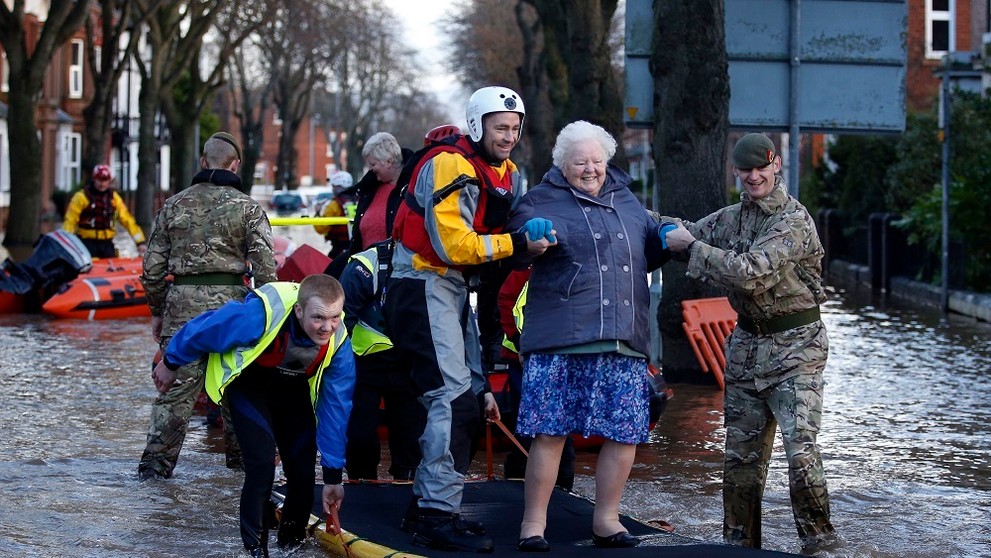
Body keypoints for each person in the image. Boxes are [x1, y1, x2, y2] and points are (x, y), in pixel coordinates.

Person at [385, 86, 554, 553]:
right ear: (477, 125)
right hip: (421, 282)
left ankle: (427, 506)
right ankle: (436, 514)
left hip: (454, 287)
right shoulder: (449, 163)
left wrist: (534, 230)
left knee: (474, 397)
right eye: (501, 128)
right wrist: (518, 244)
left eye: (515, 129)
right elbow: (452, 245)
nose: (509, 137)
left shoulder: (508, 172)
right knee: (453, 398)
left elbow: (511, 219)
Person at [661, 133, 838, 552]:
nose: (754, 176)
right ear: (736, 171)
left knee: (801, 454)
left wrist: (693, 247)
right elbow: (684, 232)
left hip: (798, 350)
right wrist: (629, 213)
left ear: (776, 164)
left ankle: (820, 542)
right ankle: (738, 546)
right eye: (746, 169)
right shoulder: (731, 218)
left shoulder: (793, 220)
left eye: (762, 167)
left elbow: (750, 272)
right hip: (746, 349)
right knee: (741, 462)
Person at [504, 120, 669, 552]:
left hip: (624, 339)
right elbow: (517, 241)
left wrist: (667, 237)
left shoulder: (628, 201)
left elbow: (650, 246)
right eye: (581, 162)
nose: (591, 168)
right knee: (550, 432)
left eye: (597, 160)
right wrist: (529, 240)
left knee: (624, 432)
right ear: (562, 164)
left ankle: (606, 520)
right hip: (560, 339)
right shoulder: (539, 200)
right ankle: (533, 524)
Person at [150, 275, 356, 557]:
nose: (327, 327)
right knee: (261, 467)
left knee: (304, 473)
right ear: (299, 311)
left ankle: (291, 547)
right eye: (318, 318)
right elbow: (206, 328)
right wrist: (171, 361)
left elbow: (336, 410)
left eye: (334, 318)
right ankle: (255, 552)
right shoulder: (260, 315)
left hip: (292, 392)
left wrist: (334, 476)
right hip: (250, 388)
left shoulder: (340, 343)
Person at [139, 131, 278, 480]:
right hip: (233, 310)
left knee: (174, 394)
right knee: (238, 393)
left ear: (203, 162)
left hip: (181, 308)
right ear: (235, 165)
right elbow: (266, 272)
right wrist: (267, 322)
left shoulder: (173, 205)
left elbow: (151, 269)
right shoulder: (249, 208)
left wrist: (158, 311)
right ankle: (244, 470)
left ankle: (154, 471)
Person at [338, 239, 425, 480]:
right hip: (363, 361)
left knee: (411, 432)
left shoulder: (435, 262)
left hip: (410, 360)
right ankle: (361, 479)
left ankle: (406, 481)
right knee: (360, 433)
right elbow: (342, 321)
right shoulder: (364, 266)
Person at [496, 268, 575, 491]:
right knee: (527, 427)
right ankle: (520, 479)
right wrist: (520, 343)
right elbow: (506, 300)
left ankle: (562, 483)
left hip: (556, 356)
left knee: (560, 431)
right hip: (523, 358)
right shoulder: (528, 269)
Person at [324, 131, 410, 278]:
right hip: (364, 267)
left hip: (394, 270)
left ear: (388, 162)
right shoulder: (370, 187)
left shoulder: (410, 188)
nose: (370, 169)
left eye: (373, 164)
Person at [62, 164, 146, 258]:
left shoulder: (113, 199)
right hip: (87, 243)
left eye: (105, 180)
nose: (102, 184)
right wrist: (65, 242)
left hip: (107, 244)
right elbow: (70, 221)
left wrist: (140, 242)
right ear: (94, 179)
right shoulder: (82, 197)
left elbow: (127, 220)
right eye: (99, 180)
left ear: (109, 181)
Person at [313, 171, 356, 260]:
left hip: (339, 250)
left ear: (339, 187)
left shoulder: (334, 205)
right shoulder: (361, 200)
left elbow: (320, 228)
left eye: (334, 186)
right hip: (359, 249)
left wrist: (317, 212)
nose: (332, 189)